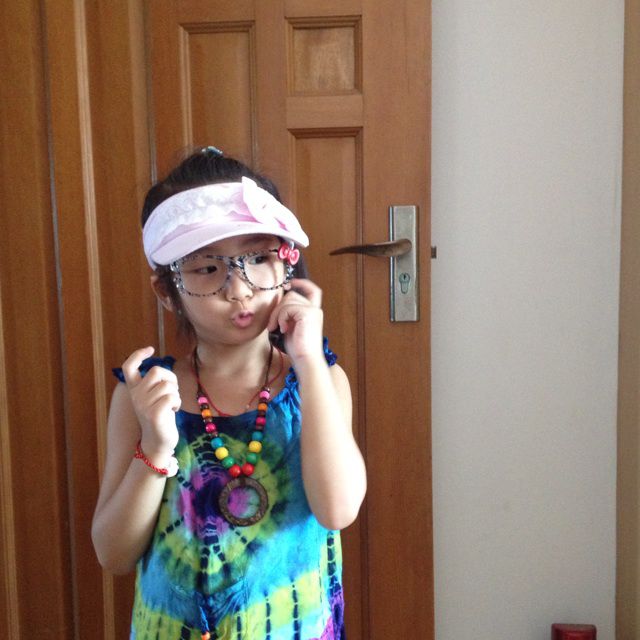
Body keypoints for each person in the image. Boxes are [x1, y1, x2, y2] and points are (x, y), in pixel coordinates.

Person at [91, 147, 367, 640]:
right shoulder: (146, 395)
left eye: (258, 259)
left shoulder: (320, 381)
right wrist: (155, 447)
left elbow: (338, 509)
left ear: (286, 263)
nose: (239, 290)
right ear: (167, 290)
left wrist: (307, 358)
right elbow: (113, 554)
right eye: (207, 269)